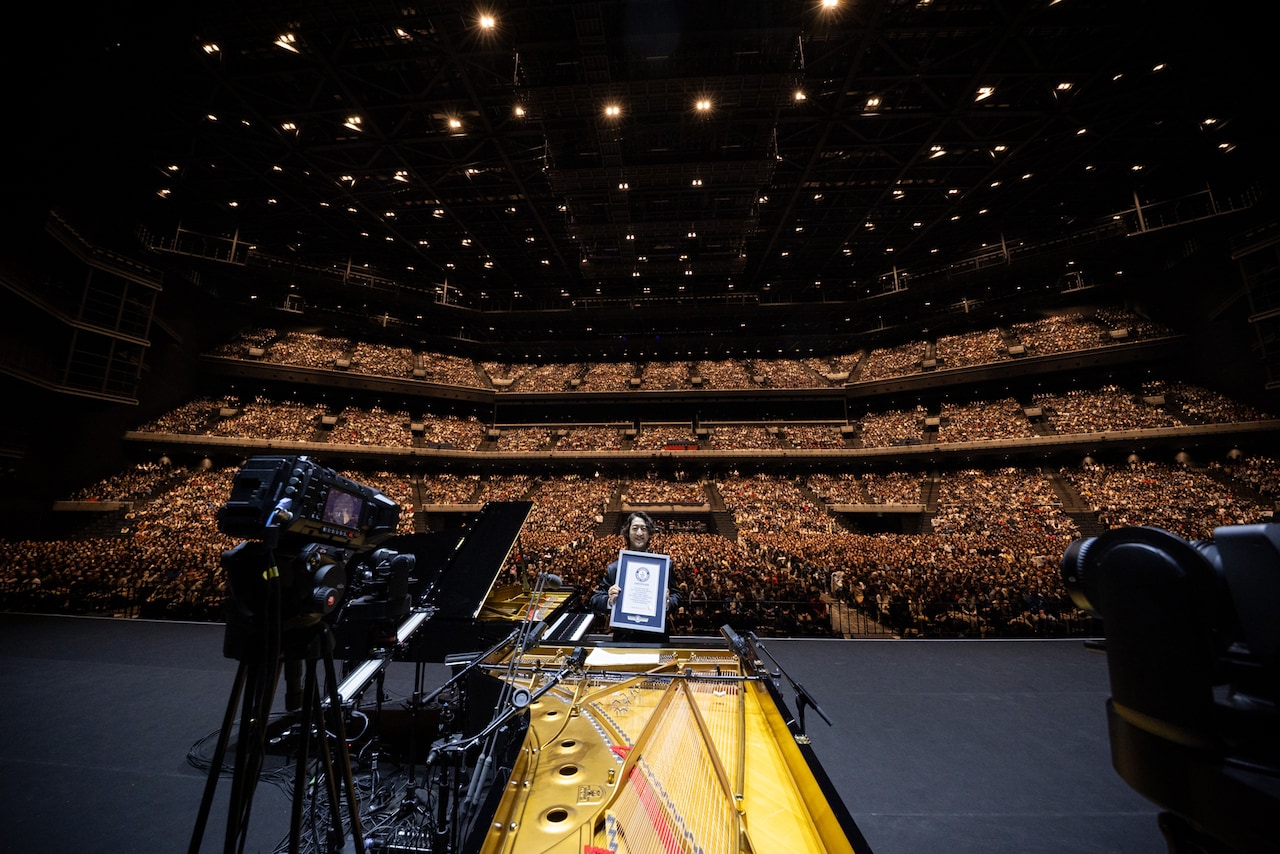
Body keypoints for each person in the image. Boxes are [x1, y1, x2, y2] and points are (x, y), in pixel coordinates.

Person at [589, 511, 680, 644]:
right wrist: (609, 601)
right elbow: (595, 600)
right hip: (624, 640)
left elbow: (676, 595)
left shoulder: (664, 566)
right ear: (627, 532)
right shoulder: (615, 568)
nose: (639, 533)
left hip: (656, 640)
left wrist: (667, 603)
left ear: (649, 534)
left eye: (644, 529)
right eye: (635, 528)